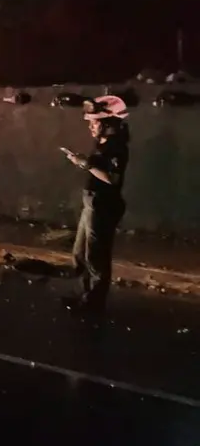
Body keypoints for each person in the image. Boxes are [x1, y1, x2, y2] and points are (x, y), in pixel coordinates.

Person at [64, 95, 130, 316]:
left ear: (109, 123)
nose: (91, 126)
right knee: (80, 254)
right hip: (92, 201)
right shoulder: (102, 143)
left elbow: (113, 179)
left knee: (96, 257)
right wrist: (81, 161)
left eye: (95, 122)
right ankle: (84, 295)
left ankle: (93, 304)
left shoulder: (117, 147)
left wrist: (85, 163)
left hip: (103, 204)